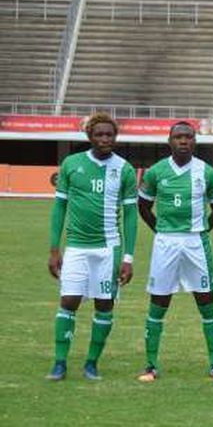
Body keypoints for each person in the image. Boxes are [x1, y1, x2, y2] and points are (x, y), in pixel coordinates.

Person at [46, 113, 137, 381]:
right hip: (76, 248)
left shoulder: (125, 169)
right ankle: (60, 363)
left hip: (109, 250)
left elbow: (130, 216)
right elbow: (59, 207)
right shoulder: (72, 164)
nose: (105, 139)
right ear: (89, 137)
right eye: (99, 134)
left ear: (115, 137)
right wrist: (54, 249)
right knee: (69, 302)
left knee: (104, 305)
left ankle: (91, 363)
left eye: (110, 135)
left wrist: (128, 257)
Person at [136, 122, 213, 382]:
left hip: (196, 242)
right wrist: (160, 230)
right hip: (166, 242)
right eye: (178, 137)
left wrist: (202, 230)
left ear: (194, 141)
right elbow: (143, 206)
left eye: (188, 137)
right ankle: (150, 366)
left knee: (206, 301)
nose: (183, 141)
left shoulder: (206, 172)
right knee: (159, 302)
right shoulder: (156, 172)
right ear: (170, 141)